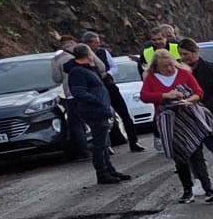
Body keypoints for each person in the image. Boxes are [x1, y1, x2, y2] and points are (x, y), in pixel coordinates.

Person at [138, 52, 213, 203]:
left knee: (196, 153)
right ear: (156, 67)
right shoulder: (151, 78)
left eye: (171, 65)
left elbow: (199, 93)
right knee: (180, 156)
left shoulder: (184, 73)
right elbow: (144, 96)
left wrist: (188, 100)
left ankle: (208, 189)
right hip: (168, 121)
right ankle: (188, 191)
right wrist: (165, 95)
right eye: (165, 67)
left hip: (189, 118)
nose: (170, 69)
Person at [62, 45, 132, 185]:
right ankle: (102, 173)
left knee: (105, 142)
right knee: (100, 144)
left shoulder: (87, 69)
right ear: (88, 54)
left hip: (100, 109)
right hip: (94, 110)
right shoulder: (77, 71)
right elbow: (79, 92)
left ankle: (109, 169)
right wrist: (98, 101)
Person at [179, 38, 213, 193]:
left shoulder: (212, 68)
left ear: (195, 52)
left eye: (186, 54)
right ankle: (199, 181)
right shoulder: (179, 71)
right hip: (188, 116)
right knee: (192, 150)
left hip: (209, 115)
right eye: (181, 54)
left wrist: (204, 107)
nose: (183, 57)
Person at [81, 30, 144, 152]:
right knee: (102, 118)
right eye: (96, 42)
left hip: (109, 85)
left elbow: (114, 67)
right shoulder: (83, 56)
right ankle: (106, 145)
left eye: (98, 42)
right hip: (96, 90)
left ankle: (134, 142)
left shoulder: (103, 52)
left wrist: (108, 73)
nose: (98, 45)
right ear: (88, 44)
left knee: (125, 114)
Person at [49, 34, 88, 159]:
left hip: (71, 94)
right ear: (72, 41)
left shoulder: (57, 59)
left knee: (77, 124)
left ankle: (84, 150)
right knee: (96, 119)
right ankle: (104, 146)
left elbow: (57, 79)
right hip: (88, 89)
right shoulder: (83, 50)